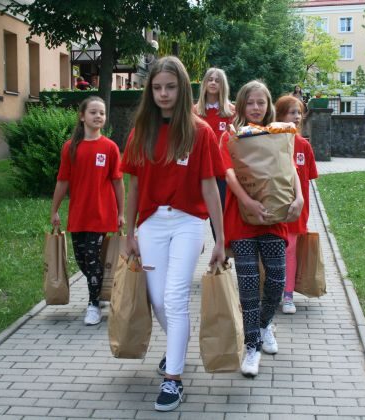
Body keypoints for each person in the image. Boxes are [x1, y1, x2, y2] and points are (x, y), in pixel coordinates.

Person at [121, 56, 225, 412]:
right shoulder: (140, 133)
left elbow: (211, 188)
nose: (163, 94)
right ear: (149, 91)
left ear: (182, 88)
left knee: (176, 297)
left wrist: (221, 240)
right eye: (157, 87)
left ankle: (173, 380)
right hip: (151, 225)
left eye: (170, 86)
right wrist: (127, 233)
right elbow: (132, 188)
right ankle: (177, 347)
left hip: (188, 223)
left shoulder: (201, 132)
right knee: (160, 299)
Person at [220, 80, 304, 378]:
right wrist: (248, 202)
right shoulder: (230, 136)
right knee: (248, 285)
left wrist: (299, 196)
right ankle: (251, 345)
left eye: (261, 103)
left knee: (277, 280)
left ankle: (265, 323)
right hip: (242, 219)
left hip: (274, 218)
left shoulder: (279, 134)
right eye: (250, 103)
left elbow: (290, 166)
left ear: (268, 105)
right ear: (241, 105)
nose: (256, 108)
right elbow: (228, 173)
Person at [50, 96, 125, 326]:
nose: (98, 116)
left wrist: (121, 213)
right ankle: (102, 288)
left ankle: (93, 304)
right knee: (82, 259)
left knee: (92, 258)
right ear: (82, 116)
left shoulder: (110, 147)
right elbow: (63, 181)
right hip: (78, 214)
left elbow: (118, 183)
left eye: (102, 113)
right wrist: (54, 210)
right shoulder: (70, 147)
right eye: (93, 112)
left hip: (102, 214)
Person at [275, 95, 318, 314]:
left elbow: (308, 179)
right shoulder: (270, 142)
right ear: (280, 115)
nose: (297, 117)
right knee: (274, 251)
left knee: (290, 250)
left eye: (299, 112)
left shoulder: (304, 146)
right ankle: (272, 292)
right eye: (292, 112)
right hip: (274, 207)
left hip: (296, 210)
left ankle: (288, 295)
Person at [194, 68, 235, 241]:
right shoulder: (194, 112)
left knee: (218, 214)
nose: (213, 83)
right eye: (209, 79)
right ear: (204, 83)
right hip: (197, 170)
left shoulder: (231, 112)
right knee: (193, 213)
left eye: (217, 80)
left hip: (222, 172)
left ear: (223, 85)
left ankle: (222, 252)